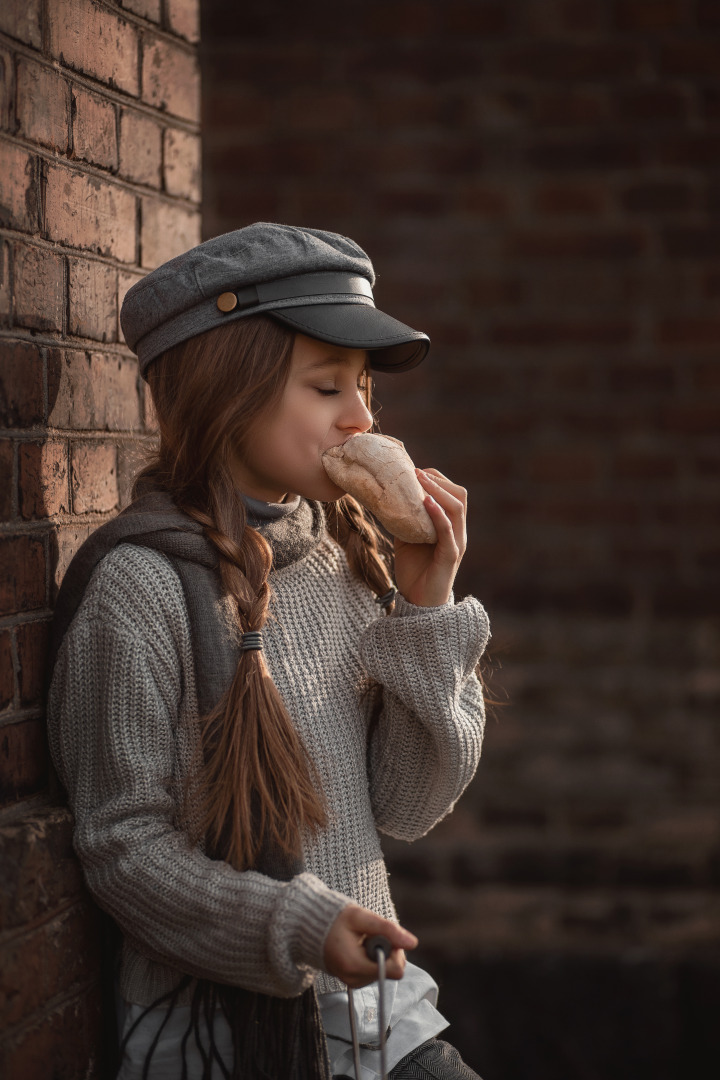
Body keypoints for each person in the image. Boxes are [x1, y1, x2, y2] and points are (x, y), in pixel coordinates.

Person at [46, 223, 490, 1080]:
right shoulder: (137, 588)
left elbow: (407, 803)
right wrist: (297, 925)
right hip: (216, 1039)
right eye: (326, 385)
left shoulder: (347, 558)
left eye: (363, 387)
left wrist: (426, 602)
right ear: (228, 394)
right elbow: (122, 847)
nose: (361, 414)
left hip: (372, 1025)